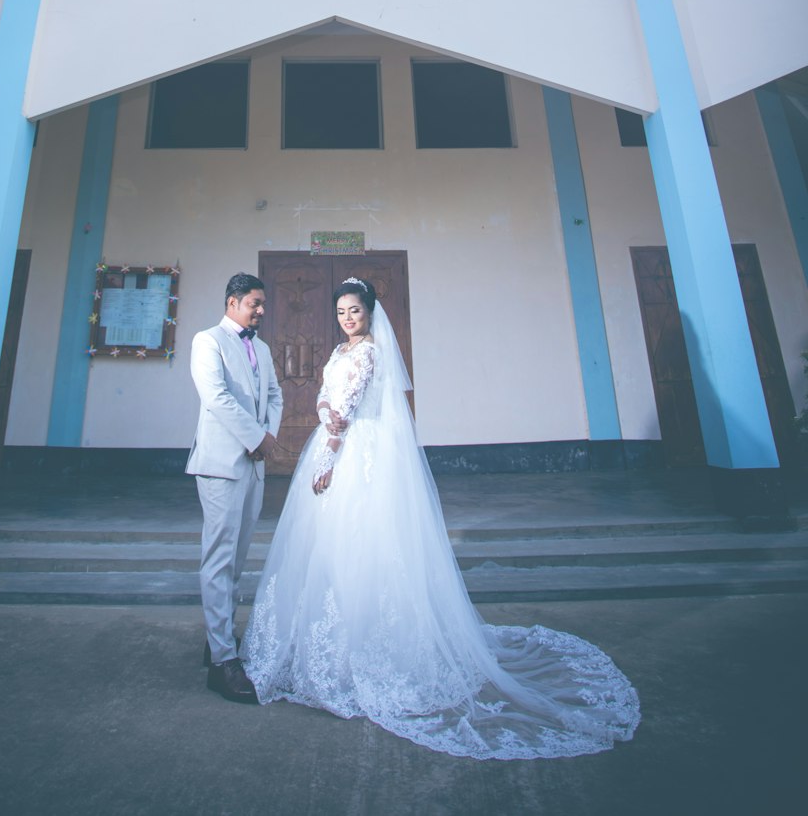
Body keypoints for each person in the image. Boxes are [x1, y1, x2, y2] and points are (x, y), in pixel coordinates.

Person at [242, 277, 641, 758]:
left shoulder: (369, 353)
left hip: (354, 451)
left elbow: (344, 412)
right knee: (328, 546)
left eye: (355, 311)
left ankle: (374, 651)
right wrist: (324, 414)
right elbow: (325, 398)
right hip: (332, 444)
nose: (348, 319)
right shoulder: (335, 355)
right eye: (342, 312)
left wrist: (327, 456)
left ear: (370, 313)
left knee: (365, 540)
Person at [187, 272, 283, 704]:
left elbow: (276, 395)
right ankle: (224, 662)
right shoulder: (207, 341)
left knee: (239, 558)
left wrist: (269, 434)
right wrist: (256, 437)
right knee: (219, 557)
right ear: (232, 302)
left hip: (254, 466)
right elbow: (216, 397)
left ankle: (218, 637)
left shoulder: (261, 347)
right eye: (254, 304)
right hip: (222, 465)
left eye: (263, 304)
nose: (261, 311)